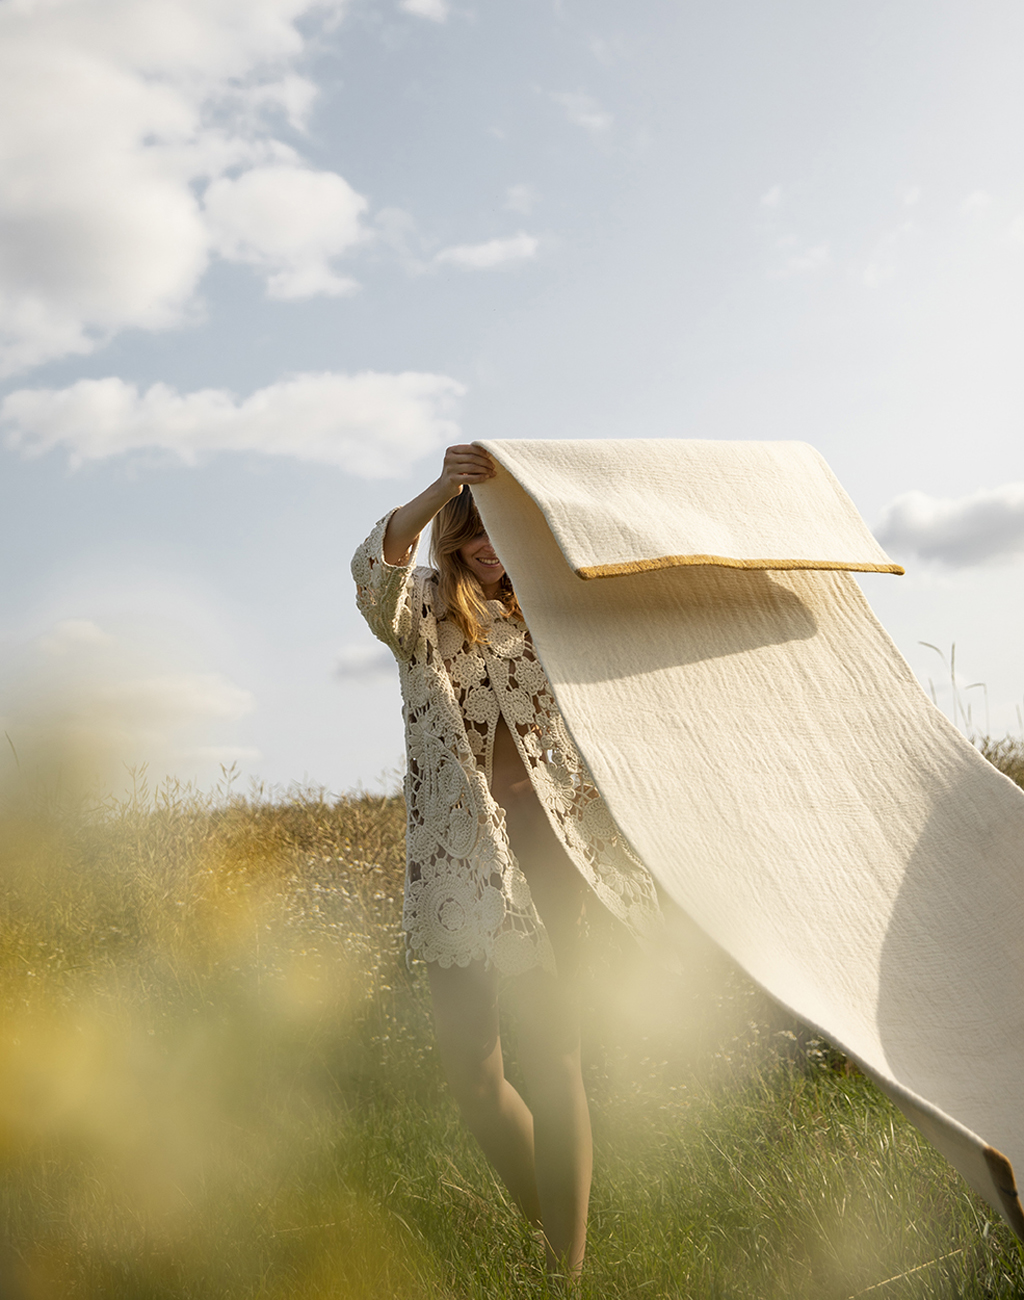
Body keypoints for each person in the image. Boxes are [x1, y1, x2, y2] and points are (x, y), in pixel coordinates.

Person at [351, 444, 661, 1279]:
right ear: (454, 529)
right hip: (459, 865)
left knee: (557, 1063)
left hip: (557, 859)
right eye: (475, 524)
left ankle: (566, 1274)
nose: (489, 541)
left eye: (504, 526)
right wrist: (441, 487)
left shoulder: (555, 615)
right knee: (475, 1081)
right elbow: (370, 564)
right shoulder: (417, 614)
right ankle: (555, 1243)